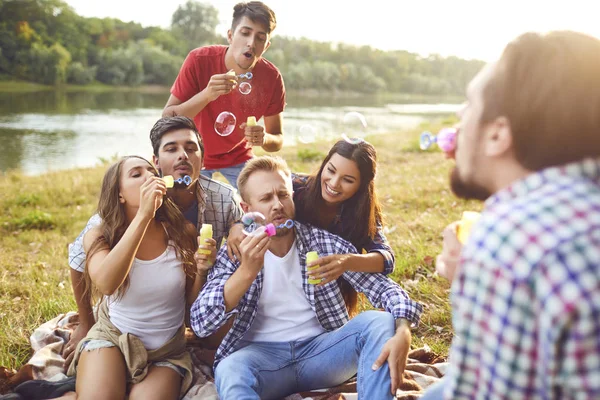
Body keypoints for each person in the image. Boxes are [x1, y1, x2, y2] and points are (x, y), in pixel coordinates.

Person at [421, 31, 600, 399]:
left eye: (469, 104)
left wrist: (483, 274)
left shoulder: (510, 238)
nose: (458, 118)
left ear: (498, 134)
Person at [190, 156, 423, 399]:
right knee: (229, 369)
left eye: (283, 195)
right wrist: (246, 273)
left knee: (380, 322)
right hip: (262, 361)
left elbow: (386, 290)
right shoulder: (236, 252)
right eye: (266, 198)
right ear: (246, 209)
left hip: (323, 354)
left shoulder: (322, 243)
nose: (277, 205)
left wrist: (404, 329)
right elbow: (200, 323)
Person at [63, 116, 243, 367]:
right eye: (172, 149)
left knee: (228, 336)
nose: (183, 156)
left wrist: (238, 226)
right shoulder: (129, 205)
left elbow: (247, 223)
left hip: (187, 302)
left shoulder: (222, 198)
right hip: (131, 309)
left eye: (191, 149)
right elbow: (78, 261)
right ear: (156, 162)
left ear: (202, 159)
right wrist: (85, 323)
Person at [62, 156, 214, 399]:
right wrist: (144, 215)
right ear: (120, 195)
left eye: (152, 172)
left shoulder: (182, 232)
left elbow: (189, 306)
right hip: (113, 337)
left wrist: (202, 271)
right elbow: (107, 284)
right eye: (136, 174)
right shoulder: (101, 235)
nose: (149, 177)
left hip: (166, 351)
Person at [227, 139, 395, 317]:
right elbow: (258, 199)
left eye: (348, 180)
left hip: (328, 288)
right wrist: (238, 225)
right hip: (282, 279)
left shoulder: (363, 213)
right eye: (330, 170)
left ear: (361, 185)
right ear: (324, 165)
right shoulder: (297, 186)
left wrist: (346, 261)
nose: (334, 183)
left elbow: (386, 259)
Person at [163, 1, 285, 188]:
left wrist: (264, 139)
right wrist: (207, 95)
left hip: (239, 156)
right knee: (178, 209)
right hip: (192, 154)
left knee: (265, 199)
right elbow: (166, 118)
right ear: (230, 35)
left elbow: (277, 139)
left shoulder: (272, 78)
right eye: (245, 33)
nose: (251, 43)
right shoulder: (199, 60)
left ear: (266, 46)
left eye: (260, 38)